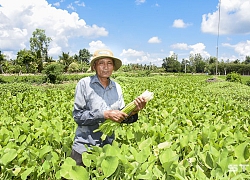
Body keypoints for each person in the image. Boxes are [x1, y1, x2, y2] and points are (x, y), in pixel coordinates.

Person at [70, 49, 146, 166]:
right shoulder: (84, 84)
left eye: (109, 63)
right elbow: (78, 116)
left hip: (107, 149)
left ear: (113, 67)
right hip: (84, 148)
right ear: (94, 66)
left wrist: (133, 111)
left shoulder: (117, 87)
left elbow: (121, 117)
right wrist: (104, 114)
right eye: (101, 63)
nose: (106, 67)